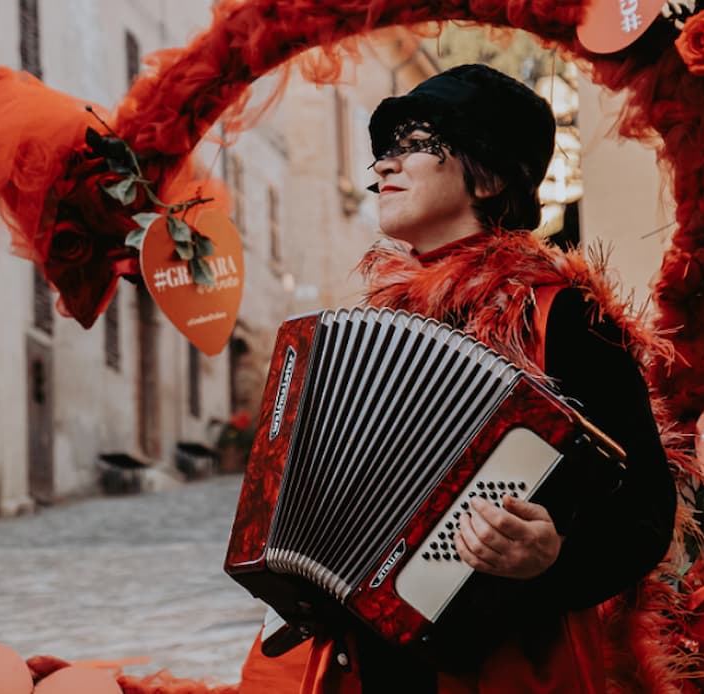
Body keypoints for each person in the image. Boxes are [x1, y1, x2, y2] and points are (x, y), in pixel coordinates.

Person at [237, 64, 678, 693]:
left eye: (415, 145)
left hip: (497, 667)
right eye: (384, 153)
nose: (383, 167)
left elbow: (643, 516)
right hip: (360, 667)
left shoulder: (567, 318)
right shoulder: (366, 330)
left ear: (491, 175)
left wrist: (554, 558)